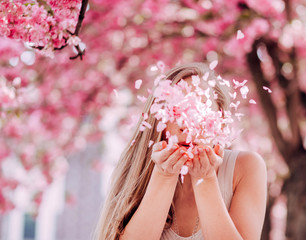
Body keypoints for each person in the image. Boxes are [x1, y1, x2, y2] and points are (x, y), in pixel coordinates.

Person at [95, 62, 267, 240]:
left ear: (221, 120)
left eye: (198, 111)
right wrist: (164, 175)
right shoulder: (138, 171)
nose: (185, 126)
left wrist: (205, 179)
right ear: (157, 118)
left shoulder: (246, 167)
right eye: (175, 111)